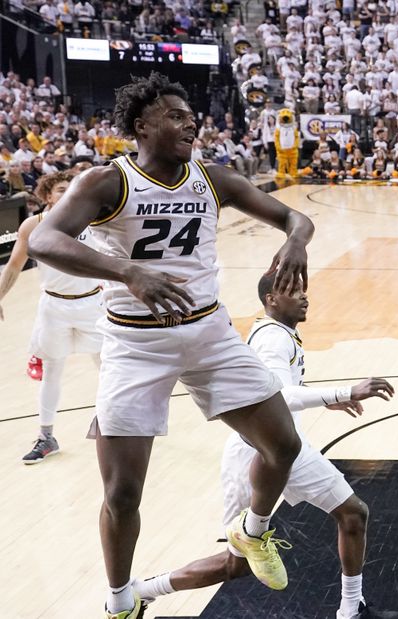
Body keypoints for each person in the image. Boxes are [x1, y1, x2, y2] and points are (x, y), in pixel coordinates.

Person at [27, 72, 315, 619]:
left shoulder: (212, 179)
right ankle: (120, 601)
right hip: (135, 345)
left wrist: (296, 239)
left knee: (283, 445)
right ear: (142, 126)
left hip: (210, 332)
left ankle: (252, 533)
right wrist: (128, 272)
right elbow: (44, 240)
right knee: (122, 494)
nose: (191, 123)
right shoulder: (107, 182)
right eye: (176, 116)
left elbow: (292, 215)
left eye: (191, 116)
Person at [133, 273, 398, 619]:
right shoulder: (273, 338)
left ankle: (351, 611)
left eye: (304, 290)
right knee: (241, 563)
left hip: (275, 448)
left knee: (350, 515)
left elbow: (280, 387)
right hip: (262, 451)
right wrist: (344, 392)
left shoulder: (277, 332)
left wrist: (321, 400)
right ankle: (143, 591)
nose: (304, 297)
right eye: (293, 292)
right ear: (271, 299)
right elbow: (279, 395)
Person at [0, 169, 104, 463]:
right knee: (52, 373)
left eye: (71, 189)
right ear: (46, 195)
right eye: (61, 190)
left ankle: (110, 423)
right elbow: (14, 264)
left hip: (92, 303)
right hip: (54, 307)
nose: (68, 193)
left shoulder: (92, 217)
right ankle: (46, 437)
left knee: (108, 368)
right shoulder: (34, 225)